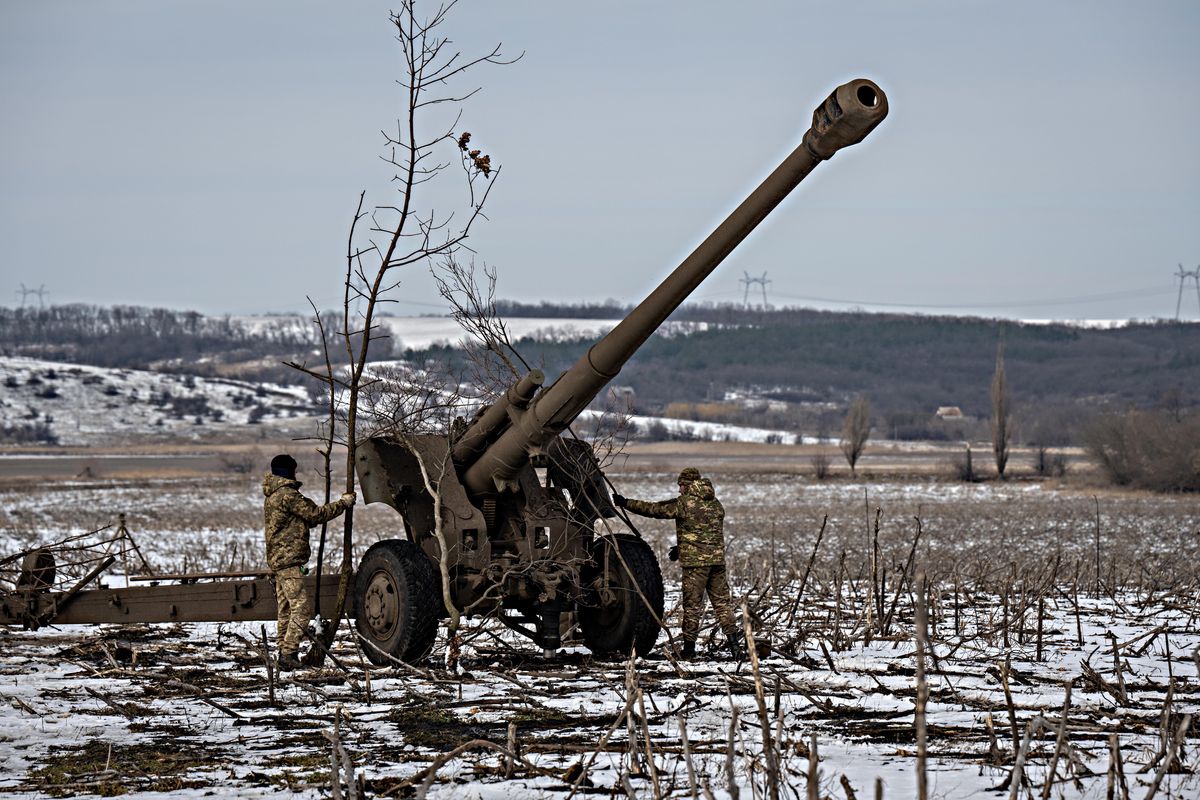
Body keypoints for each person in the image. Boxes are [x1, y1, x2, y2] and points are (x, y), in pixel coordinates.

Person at [613, 467, 746, 661]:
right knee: (723, 605)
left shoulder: (685, 503)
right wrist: (682, 547)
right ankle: (736, 648)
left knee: (692, 607)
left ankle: (689, 650)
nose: (679, 490)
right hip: (717, 562)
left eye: (681, 485)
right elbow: (703, 533)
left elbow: (655, 510)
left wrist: (626, 503)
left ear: (688, 484)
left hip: (695, 565)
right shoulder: (716, 504)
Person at [262, 453, 356, 671]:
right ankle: (288, 653)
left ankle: (284, 652)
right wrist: (343, 503)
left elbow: (300, 520)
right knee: (302, 609)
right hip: (288, 560)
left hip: (279, 559)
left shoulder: (273, 495)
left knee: (285, 608)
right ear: (289, 471)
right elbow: (315, 514)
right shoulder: (287, 495)